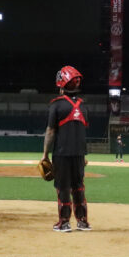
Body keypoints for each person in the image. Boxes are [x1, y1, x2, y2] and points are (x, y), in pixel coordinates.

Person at [41, 65, 90, 232]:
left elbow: (50, 131)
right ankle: (83, 222)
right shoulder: (83, 106)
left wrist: (45, 155)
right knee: (79, 187)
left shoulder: (56, 105)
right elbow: (82, 130)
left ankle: (64, 222)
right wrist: (83, 155)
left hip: (62, 154)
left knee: (63, 187)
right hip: (79, 154)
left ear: (61, 83)